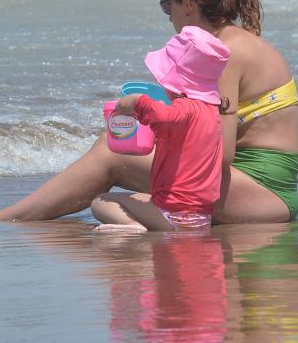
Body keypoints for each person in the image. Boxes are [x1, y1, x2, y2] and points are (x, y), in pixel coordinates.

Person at [0, 0, 298, 224]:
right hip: (257, 186)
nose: (169, 16)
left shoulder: (222, 53)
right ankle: (2, 215)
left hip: (264, 193)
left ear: (188, 5)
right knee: (120, 174)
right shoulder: (231, 42)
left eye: (168, 5)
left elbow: (217, 154)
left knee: (111, 153)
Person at [91, 26, 230, 232]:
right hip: (201, 216)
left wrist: (136, 102)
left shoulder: (185, 107)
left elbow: (162, 115)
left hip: (174, 213)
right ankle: (147, 224)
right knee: (140, 198)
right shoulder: (211, 112)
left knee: (101, 202)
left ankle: (133, 227)